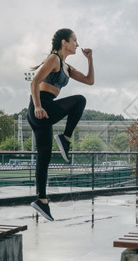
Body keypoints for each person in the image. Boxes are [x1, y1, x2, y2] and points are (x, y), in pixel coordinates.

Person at [27, 28, 94, 221]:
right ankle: (65, 138)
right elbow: (34, 83)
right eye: (74, 41)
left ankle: (41, 200)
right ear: (64, 42)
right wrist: (38, 106)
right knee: (79, 100)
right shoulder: (54, 59)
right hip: (41, 107)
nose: (77, 45)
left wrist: (90, 59)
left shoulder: (66, 67)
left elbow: (90, 81)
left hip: (45, 110)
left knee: (44, 156)